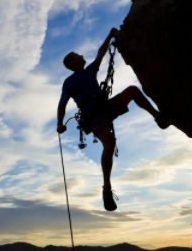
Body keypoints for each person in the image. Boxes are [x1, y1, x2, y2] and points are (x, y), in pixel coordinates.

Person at [56, 27, 170, 212]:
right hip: (92, 116)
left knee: (132, 91)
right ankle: (107, 188)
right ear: (74, 62)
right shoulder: (69, 82)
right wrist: (59, 124)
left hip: (104, 107)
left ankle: (158, 117)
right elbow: (62, 104)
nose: (82, 55)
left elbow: (101, 54)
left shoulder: (90, 70)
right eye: (78, 55)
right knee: (109, 144)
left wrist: (109, 36)